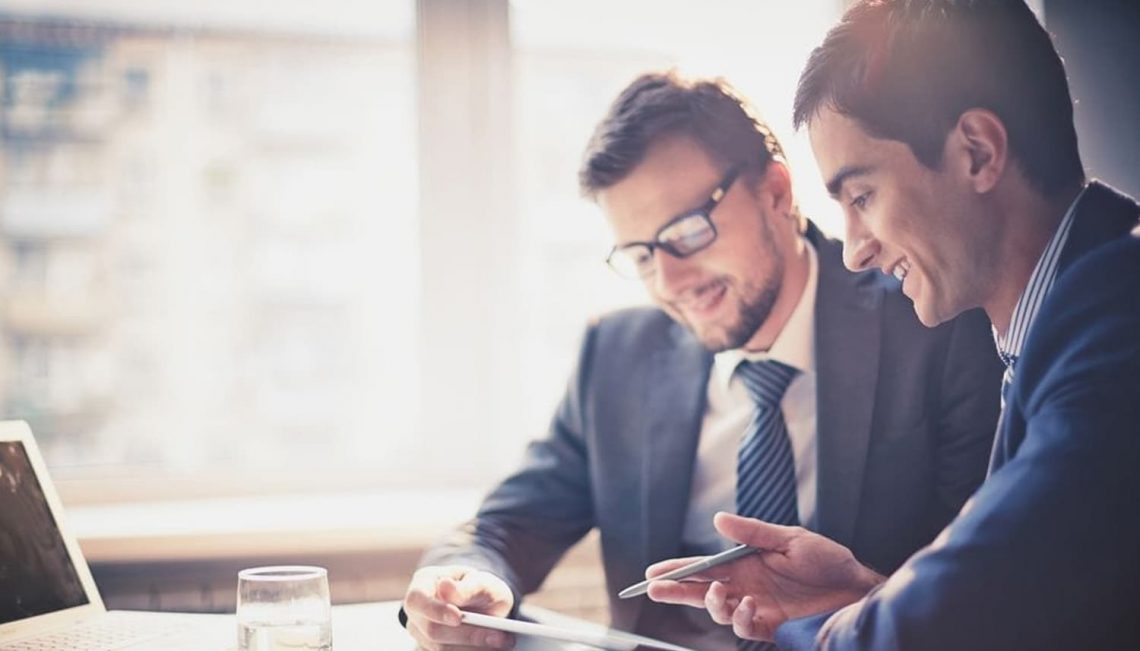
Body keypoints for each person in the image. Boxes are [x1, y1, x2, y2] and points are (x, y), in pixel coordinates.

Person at [400, 71, 1003, 651]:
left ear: (775, 192)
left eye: (686, 233)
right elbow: (506, 525)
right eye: (640, 255)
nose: (669, 280)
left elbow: (980, 590)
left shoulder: (933, 323)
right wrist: (459, 579)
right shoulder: (615, 356)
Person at [643, 2, 1140, 650]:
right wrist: (866, 594)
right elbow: (1028, 602)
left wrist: (819, 631)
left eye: (862, 196)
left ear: (977, 152)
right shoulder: (1060, 321)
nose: (854, 251)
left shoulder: (1116, 320)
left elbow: (970, 609)